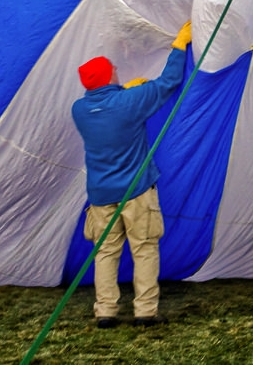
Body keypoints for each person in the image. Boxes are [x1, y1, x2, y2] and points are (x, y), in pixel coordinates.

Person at [72, 22, 190, 328]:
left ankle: (106, 312)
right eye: (112, 69)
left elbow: (106, 104)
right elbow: (169, 82)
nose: (116, 71)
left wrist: (125, 90)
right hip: (136, 193)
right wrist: (179, 46)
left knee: (105, 254)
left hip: (100, 196)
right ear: (106, 77)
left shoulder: (80, 110)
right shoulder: (129, 103)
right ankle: (145, 312)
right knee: (145, 249)